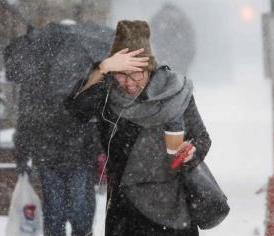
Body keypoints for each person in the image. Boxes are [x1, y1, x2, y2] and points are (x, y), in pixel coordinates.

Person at [65, 20, 212, 236]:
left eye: (137, 73)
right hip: (125, 212)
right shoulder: (106, 95)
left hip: (173, 209)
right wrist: (101, 68)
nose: (129, 82)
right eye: (121, 74)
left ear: (150, 69)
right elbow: (76, 110)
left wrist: (191, 151)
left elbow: (201, 138)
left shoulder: (174, 92)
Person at [4, 22, 106, 236]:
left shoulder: (84, 76)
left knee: (77, 211)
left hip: (74, 153)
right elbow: (27, 120)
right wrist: (22, 153)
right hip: (52, 154)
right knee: (58, 212)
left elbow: (95, 115)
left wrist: (97, 146)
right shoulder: (36, 83)